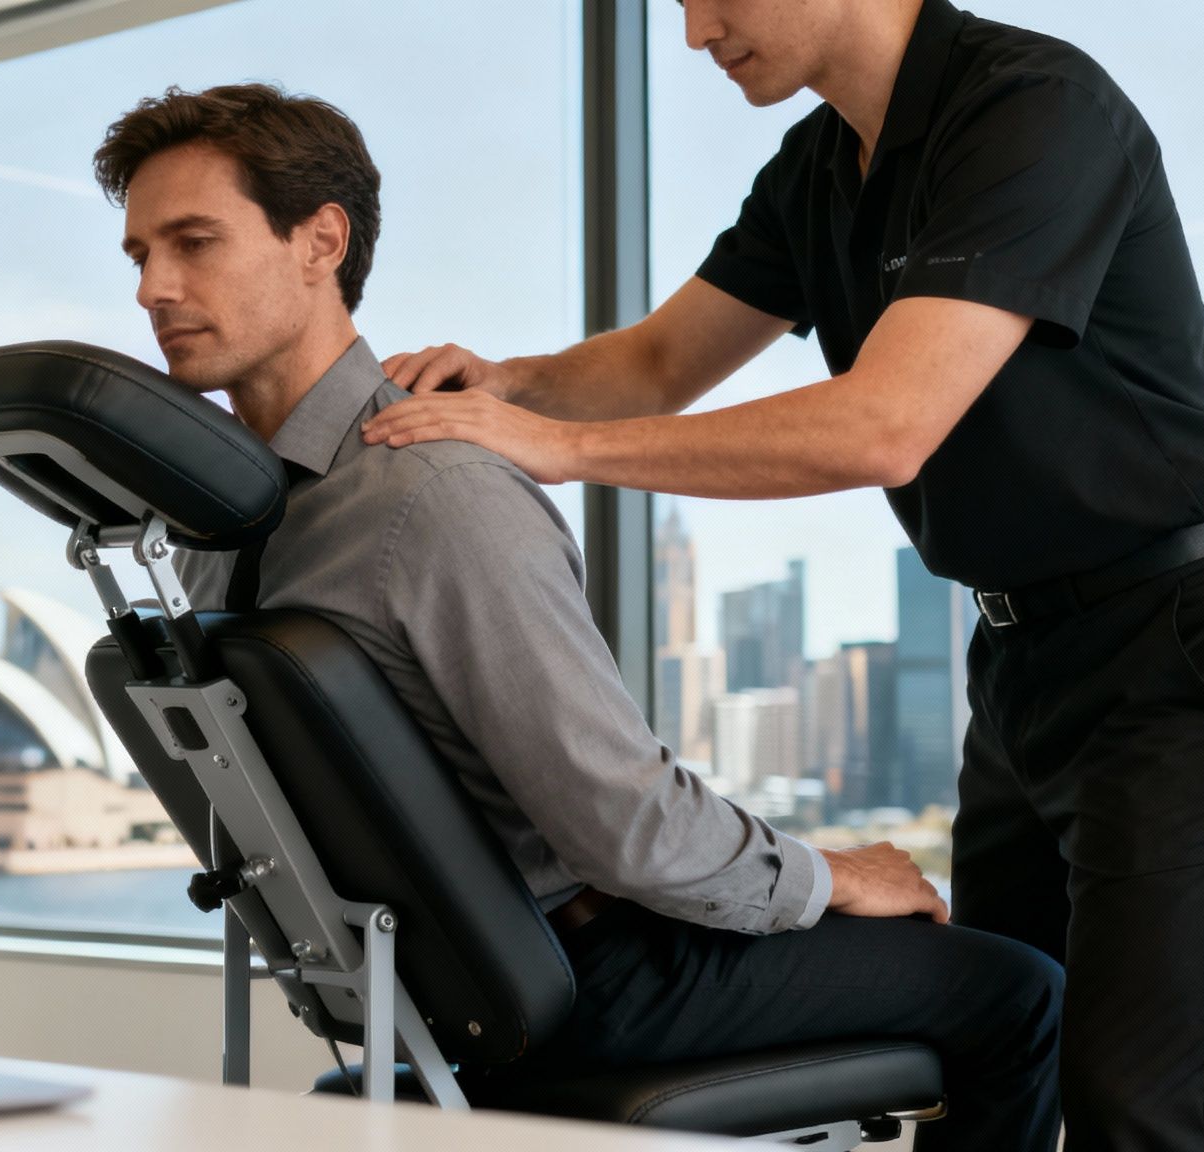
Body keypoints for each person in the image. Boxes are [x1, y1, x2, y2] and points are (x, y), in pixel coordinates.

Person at [364, 3, 1204, 1149]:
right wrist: (506, 388)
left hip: (1181, 641)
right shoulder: (817, 166)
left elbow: (884, 426)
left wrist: (558, 451)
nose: (691, 32)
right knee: (1000, 1049)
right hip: (1021, 656)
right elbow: (659, 364)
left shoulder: (1031, 109)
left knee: (1150, 1115)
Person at [92, 81, 1062, 1150]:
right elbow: (628, 829)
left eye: (191, 242)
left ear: (321, 241)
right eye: (141, 255)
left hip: (442, 1000)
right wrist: (831, 875)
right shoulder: (433, 491)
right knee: (1018, 991)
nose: (155, 288)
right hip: (588, 981)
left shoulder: (228, 530)